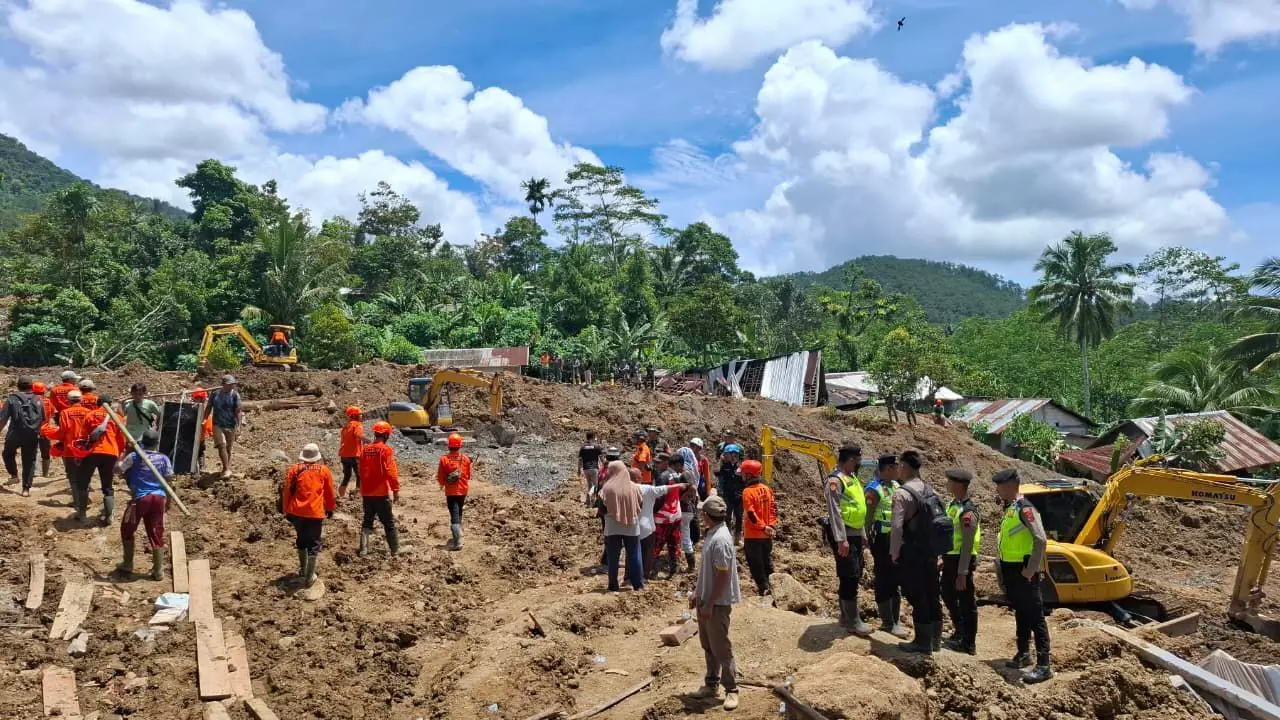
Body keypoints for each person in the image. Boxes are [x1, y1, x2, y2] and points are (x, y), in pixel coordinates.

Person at [994, 468, 1053, 683]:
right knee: (1021, 611)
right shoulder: (1012, 508)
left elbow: (1041, 539)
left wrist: (1031, 569)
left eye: (1000, 486)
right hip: (1012, 569)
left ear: (1010, 486)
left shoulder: (1025, 509)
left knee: (1035, 616)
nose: (997, 490)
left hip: (1024, 570)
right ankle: (1023, 653)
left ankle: (1044, 665)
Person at [689, 495, 741, 710]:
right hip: (706, 598)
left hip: (716, 603)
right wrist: (697, 592)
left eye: (703, 513)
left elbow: (722, 576)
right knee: (708, 645)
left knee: (721, 647)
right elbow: (708, 572)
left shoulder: (720, 540)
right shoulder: (712, 533)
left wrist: (710, 603)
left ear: (707, 516)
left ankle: (732, 689)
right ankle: (711, 684)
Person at [891, 449, 944, 654]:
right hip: (930, 551)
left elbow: (897, 527)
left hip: (912, 552)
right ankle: (935, 641)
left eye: (899, 466)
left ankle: (922, 643)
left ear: (904, 467)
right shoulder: (930, 490)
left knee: (917, 595)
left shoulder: (902, 494)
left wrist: (894, 552)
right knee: (932, 593)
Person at [823, 443, 872, 635]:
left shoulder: (852, 478)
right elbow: (835, 512)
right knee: (849, 575)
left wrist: (863, 533)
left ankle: (846, 617)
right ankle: (852, 620)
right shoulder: (835, 481)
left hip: (855, 533)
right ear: (851, 460)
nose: (859, 464)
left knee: (854, 573)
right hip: (845, 535)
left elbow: (859, 507)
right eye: (858, 461)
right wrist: (841, 539)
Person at [115, 430, 173, 580]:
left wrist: (123, 456)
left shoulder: (134, 457)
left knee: (127, 528)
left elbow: (118, 470)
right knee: (156, 531)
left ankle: (128, 564)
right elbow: (169, 479)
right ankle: (158, 571)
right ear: (157, 443)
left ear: (142, 442)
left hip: (140, 500)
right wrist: (168, 501)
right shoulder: (164, 459)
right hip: (159, 498)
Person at [864, 454, 908, 638]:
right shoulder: (873, 490)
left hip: (896, 539)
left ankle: (895, 620)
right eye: (895, 467)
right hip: (881, 540)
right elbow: (868, 517)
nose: (898, 470)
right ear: (888, 469)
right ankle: (887, 621)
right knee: (884, 578)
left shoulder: (897, 486)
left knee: (896, 578)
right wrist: (866, 539)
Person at [282, 443, 336, 587]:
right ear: (317, 457)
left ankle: (303, 570)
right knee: (314, 543)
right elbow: (330, 492)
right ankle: (310, 576)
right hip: (314, 513)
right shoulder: (323, 470)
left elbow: (287, 491)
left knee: (301, 539)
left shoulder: (294, 469)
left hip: (296, 511)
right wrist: (330, 508)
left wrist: (286, 509)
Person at [942, 468, 980, 655]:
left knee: (966, 601)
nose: (947, 484)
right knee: (947, 593)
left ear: (958, 485)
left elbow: (967, 543)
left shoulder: (968, 512)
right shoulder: (953, 505)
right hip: (951, 558)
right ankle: (960, 630)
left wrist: (962, 573)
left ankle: (968, 643)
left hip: (962, 560)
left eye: (950, 481)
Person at [600, 460, 645, 592]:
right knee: (634, 555)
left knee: (613, 557)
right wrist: (628, 514)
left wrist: (614, 514)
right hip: (632, 524)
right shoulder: (635, 487)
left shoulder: (607, 488)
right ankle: (638, 585)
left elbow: (602, 509)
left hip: (612, 526)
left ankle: (613, 585)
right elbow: (640, 505)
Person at [358, 421, 401, 557]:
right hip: (380, 493)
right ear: (386, 435)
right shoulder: (385, 450)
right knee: (388, 522)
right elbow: (391, 472)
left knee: (367, 520)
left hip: (366, 492)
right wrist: (395, 490)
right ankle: (395, 550)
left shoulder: (365, 449)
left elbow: (360, 470)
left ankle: (363, 549)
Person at [82, 397, 125, 525]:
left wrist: (79, 455)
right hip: (110, 452)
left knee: (83, 483)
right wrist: (119, 455)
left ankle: (81, 513)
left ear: (97, 404)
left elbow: (83, 435)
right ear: (110, 404)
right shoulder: (117, 417)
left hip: (91, 453)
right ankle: (109, 515)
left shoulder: (90, 415)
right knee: (107, 485)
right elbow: (121, 439)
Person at [1, 376, 45, 497]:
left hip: (14, 434)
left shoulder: (11, 399)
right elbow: (43, 419)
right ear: (32, 387)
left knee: (7, 454)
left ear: (18, 386)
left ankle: (14, 475)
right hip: (32, 435)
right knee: (29, 461)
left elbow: (3, 419)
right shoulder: (38, 400)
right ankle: (26, 489)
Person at [740, 459, 776, 596]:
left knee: (756, 565)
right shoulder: (767, 489)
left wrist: (762, 527)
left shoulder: (747, 491)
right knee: (767, 562)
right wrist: (770, 526)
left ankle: (764, 590)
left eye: (743, 473)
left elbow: (751, 514)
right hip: (766, 535)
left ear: (749, 475)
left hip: (753, 535)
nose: (742, 476)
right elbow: (773, 509)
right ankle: (774, 587)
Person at [55, 390, 94, 515]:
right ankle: (85, 499)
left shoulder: (64, 413)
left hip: (70, 448)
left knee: (72, 476)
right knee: (84, 475)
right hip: (85, 449)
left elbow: (63, 430)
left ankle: (78, 502)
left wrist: (59, 441)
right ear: (81, 400)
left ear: (68, 401)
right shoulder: (88, 412)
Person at [653, 456, 690, 580]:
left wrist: (654, 512)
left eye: (658, 463)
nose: (657, 465)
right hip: (676, 514)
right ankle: (673, 571)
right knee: (673, 543)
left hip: (663, 516)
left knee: (657, 544)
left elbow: (660, 497)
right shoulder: (677, 476)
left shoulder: (663, 476)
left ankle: (653, 571)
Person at [438, 432, 472, 550]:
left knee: (454, 514)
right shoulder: (465, 459)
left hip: (451, 492)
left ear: (449, 445)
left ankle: (457, 542)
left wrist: (442, 484)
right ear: (460, 445)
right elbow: (468, 475)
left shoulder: (444, 459)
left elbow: (440, 476)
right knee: (459, 511)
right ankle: (458, 535)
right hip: (463, 490)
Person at [207, 375, 242, 478]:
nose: (231, 386)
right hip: (217, 424)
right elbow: (209, 407)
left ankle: (225, 468)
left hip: (230, 425)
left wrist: (239, 426)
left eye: (232, 384)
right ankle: (226, 469)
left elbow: (238, 411)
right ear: (223, 384)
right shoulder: (215, 394)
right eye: (229, 384)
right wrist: (204, 419)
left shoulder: (235, 395)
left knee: (228, 449)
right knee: (221, 445)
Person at [674, 452, 701, 572]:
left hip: (685, 510)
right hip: (687, 509)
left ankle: (691, 565)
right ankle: (688, 563)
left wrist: (683, 498)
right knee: (683, 535)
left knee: (685, 536)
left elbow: (693, 488)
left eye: (674, 466)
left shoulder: (685, 474)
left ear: (679, 464)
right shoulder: (688, 473)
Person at [337, 406, 368, 496]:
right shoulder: (357, 424)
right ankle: (357, 495)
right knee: (360, 475)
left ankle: (341, 496)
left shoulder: (345, 427)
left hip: (344, 455)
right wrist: (369, 441)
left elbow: (343, 441)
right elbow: (358, 435)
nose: (361, 416)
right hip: (354, 455)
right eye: (360, 414)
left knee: (347, 476)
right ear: (355, 415)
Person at [717, 444, 744, 543]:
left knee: (739, 516)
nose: (733, 457)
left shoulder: (741, 467)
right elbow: (716, 473)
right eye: (726, 454)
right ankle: (728, 536)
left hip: (738, 496)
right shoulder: (724, 466)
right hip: (727, 495)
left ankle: (737, 537)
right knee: (727, 516)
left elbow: (744, 480)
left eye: (727, 454)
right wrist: (720, 462)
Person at [33, 381, 54, 481]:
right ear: (43, 391)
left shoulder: (29, 400)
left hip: (32, 430)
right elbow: (52, 413)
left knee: (32, 451)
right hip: (45, 431)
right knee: (45, 452)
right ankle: (45, 474)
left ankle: (34, 473)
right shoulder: (48, 401)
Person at [578, 431, 603, 507]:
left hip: (585, 469)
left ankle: (589, 503)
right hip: (594, 468)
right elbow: (601, 458)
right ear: (593, 437)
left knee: (589, 484)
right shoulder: (596, 446)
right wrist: (605, 466)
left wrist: (579, 470)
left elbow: (580, 460)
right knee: (595, 485)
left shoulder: (582, 447)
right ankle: (591, 495)